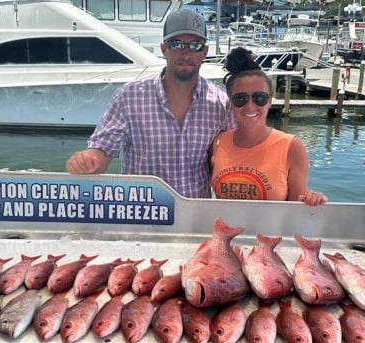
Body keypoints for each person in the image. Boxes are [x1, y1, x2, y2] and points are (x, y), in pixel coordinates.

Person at [66, 9, 235, 198]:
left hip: (194, 219)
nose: (185, 53)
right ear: (163, 48)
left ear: (205, 51)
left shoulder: (221, 104)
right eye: (176, 44)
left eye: (194, 45)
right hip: (141, 216)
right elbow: (102, 150)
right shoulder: (129, 97)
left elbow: (232, 160)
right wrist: (87, 161)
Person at [210, 47, 327, 206]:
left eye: (259, 98)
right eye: (240, 98)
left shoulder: (292, 147)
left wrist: (312, 200)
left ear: (270, 101)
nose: (250, 106)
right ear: (230, 103)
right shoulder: (218, 143)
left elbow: (297, 212)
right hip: (223, 231)